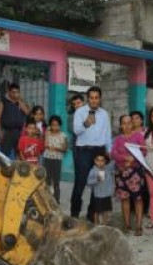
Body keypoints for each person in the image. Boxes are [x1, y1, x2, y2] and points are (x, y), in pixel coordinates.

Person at [70, 86, 112, 219]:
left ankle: (91, 214)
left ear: (100, 99)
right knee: (80, 183)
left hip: (99, 153)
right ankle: (74, 214)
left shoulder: (104, 114)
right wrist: (86, 123)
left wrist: (108, 150)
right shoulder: (80, 112)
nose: (94, 101)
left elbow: (107, 134)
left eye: (96, 98)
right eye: (91, 98)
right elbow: (76, 131)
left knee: (99, 183)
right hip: (84, 152)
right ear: (88, 98)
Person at [111, 114, 146, 235]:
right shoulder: (117, 139)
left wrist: (134, 158)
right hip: (121, 174)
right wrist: (125, 158)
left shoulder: (138, 136)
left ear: (132, 124)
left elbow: (144, 151)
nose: (127, 125)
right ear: (121, 125)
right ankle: (126, 225)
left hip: (135, 174)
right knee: (124, 199)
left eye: (129, 122)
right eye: (124, 123)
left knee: (138, 199)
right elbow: (113, 154)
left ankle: (139, 226)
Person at [0, 82, 30, 159]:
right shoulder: (3, 102)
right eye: (13, 92)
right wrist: (0, 132)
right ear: (9, 92)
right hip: (7, 131)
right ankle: (4, 170)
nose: (15, 94)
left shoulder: (20, 102)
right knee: (4, 154)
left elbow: (27, 112)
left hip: (19, 132)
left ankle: (18, 170)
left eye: (17, 92)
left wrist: (20, 102)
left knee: (20, 153)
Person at [43, 115, 68, 203]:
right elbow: (45, 145)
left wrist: (57, 148)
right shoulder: (47, 133)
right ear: (50, 125)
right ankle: (46, 200)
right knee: (47, 179)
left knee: (56, 180)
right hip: (47, 158)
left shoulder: (63, 135)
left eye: (57, 125)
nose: (55, 127)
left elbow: (65, 149)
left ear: (60, 125)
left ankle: (56, 200)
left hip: (57, 160)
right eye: (53, 125)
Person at [86, 153, 114, 225]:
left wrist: (112, 155)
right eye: (98, 160)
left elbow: (114, 162)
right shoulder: (93, 170)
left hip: (107, 194)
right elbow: (88, 182)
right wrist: (97, 180)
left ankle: (104, 224)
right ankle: (96, 225)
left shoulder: (108, 169)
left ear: (105, 161)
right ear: (94, 161)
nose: (100, 162)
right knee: (97, 211)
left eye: (102, 160)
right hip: (98, 195)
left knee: (105, 210)